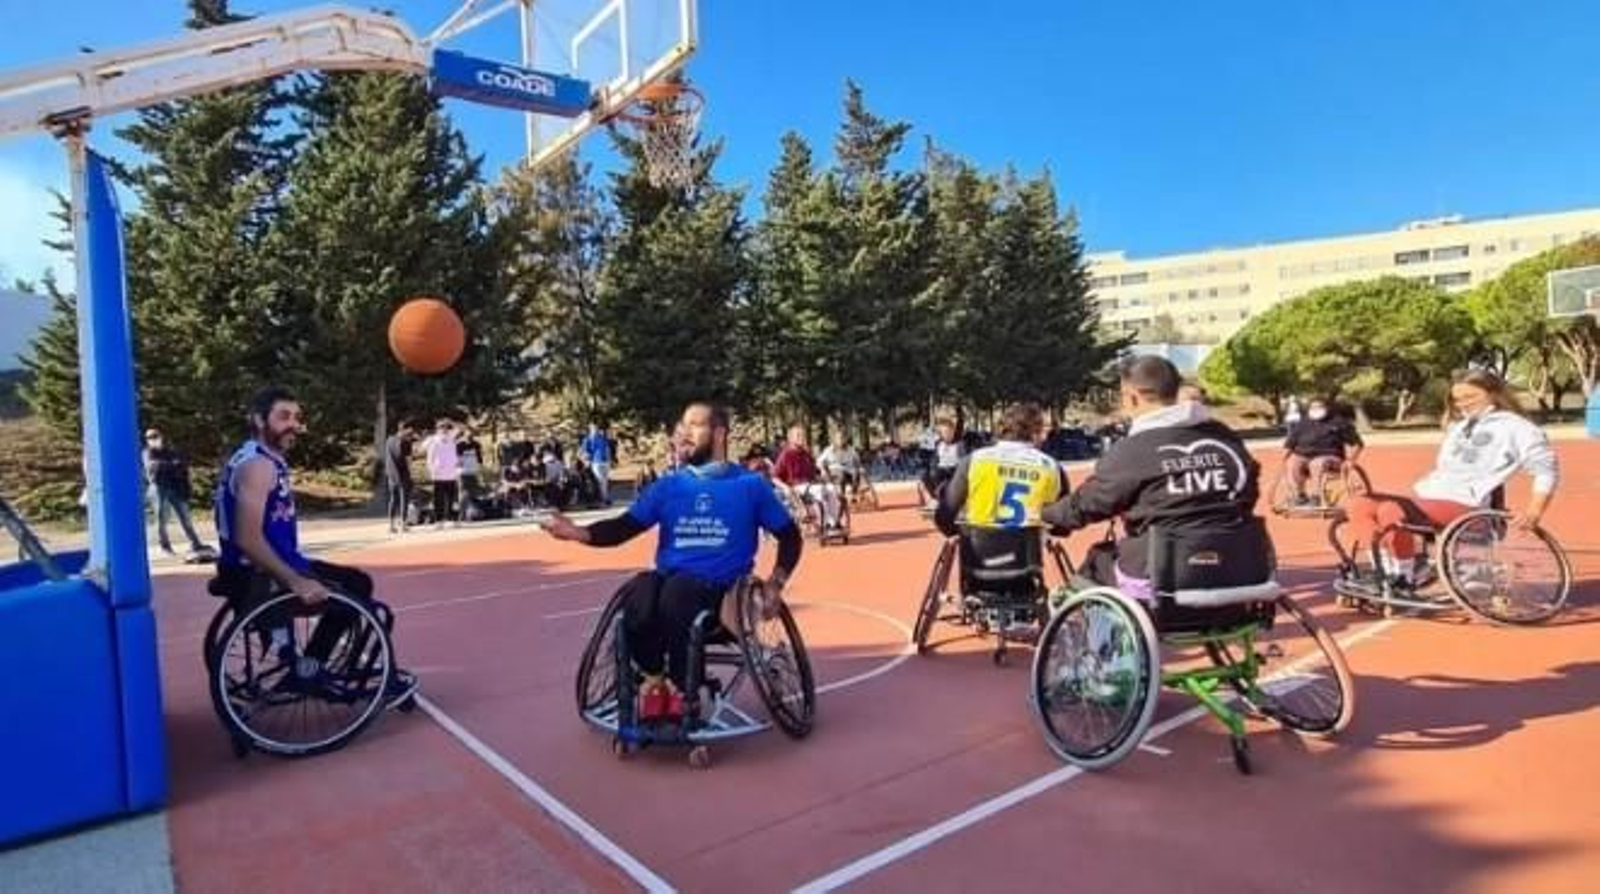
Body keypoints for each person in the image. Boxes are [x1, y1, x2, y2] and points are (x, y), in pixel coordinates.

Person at [543, 403, 803, 720]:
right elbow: (624, 527)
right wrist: (575, 532)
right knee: (638, 591)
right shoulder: (668, 487)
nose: (684, 432)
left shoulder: (750, 486)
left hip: (721, 592)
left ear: (719, 434)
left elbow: (790, 537)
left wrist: (776, 583)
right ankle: (654, 680)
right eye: (683, 425)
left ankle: (685, 690)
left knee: (678, 594)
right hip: (670, 582)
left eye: (695, 425)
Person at [212, 387, 416, 703]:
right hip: (258, 577)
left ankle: (314, 667)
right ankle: (308, 672)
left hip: (264, 568)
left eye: (296, 417)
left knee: (356, 581)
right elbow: (247, 538)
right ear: (257, 419)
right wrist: (294, 580)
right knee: (358, 591)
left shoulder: (260, 458)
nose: (293, 424)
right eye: (283, 416)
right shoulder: (257, 466)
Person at [1042, 356, 1261, 601]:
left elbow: (1087, 504)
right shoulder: (1226, 439)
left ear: (1131, 397)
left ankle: (1092, 634)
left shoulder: (1133, 450)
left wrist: (1045, 514)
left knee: (1097, 563)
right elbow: (1248, 492)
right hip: (1239, 565)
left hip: (1162, 572)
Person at [1340, 370, 1558, 590]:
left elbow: (1546, 470)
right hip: (1429, 498)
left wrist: (1534, 512)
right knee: (1358, 504)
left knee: (1391, 510)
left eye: (1470, 397)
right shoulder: (1460, 427)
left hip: (1467, 503)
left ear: (1493, 394)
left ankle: (1405, 576)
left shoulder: (1519, 428)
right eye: (1458, 399)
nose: (1463, 404)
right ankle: (1386, 570)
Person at [934, 403, 1066, 536]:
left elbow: (944, 515)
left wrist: (959, 533)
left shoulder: (975, 460)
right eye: (1042, 432)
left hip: (978, 550)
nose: (1045, 437)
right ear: (1034, 433)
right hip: (1027, 552)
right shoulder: (1051, 466)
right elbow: (1063, 525)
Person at [142, 427, 212, 558]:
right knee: (161, 519)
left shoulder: (169, 451)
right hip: (159, 488)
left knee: (185, 517)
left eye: (155, 436)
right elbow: (153, 466)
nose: (153, 440)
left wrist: (170, 466)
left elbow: (181, 464)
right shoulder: (147, 452)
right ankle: (165, 546)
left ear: (161, 437)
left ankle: (195, 543)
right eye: (150, 438)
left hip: (174, 487)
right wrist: (171, 466)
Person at [1282, 397, 1363, 505]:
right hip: (1305, 456)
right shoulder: (1303, 423)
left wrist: (1351, 460)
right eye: (1313, 407)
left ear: (1327, 408)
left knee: (1316, 463)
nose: (1316, 409)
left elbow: (1357, 444)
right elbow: (1290, 443)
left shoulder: (1338, 422)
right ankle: (1301, 495)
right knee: (1295, 464)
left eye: (1319, 407)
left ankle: (1316, 496)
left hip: (1331, 457)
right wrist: (1284, 456)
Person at [773, 424, 843, 531]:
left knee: (832, 489)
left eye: (803, 435)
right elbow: (774, 477)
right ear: (791, 439)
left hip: (811, 484)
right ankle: (824, 524)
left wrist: (824, 477)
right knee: (820, 491)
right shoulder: (785, 455)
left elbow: (814, 472)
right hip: (797, 487)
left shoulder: (806, 453)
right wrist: (785, 487)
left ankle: (834, 522)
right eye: (798, 436)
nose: (802, 438)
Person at [421, 420, 461, 529]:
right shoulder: (432, 439)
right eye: (441, 427)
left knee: (453, 499)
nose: (444, 429)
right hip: (438, 475)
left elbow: (459, 428)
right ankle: (439, 521)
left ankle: (453, 519)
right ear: (437, 429)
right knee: (438, 500)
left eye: (446, 427)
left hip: (451, 474)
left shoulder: (451, 437)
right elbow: (422, 447)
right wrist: (431, 467)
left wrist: (450, 422)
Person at [921, 418, 965, 508]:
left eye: (948, 432)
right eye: (943, 432)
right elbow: (934, 461)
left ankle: (957, 498)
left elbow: (963, 462)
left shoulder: (959, 445)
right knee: (924, 475)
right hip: (940, 471)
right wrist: (933, 469)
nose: (946, 434)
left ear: (953, 431)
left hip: (954, 471)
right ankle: (936, 498)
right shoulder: (939, 445)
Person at [383, 420, 416, 534]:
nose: (411, 432)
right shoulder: (406, 442)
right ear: (404, 429)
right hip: (403, 474)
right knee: (404, 500)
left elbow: (387, 457)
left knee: (393, 499)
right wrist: (411, 474)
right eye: (410, 430)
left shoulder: (389, 440)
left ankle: (391, 524)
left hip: (391, 474)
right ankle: (403, 524)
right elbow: (408, 461)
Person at [819, 432, 863, 500]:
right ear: (835, 439)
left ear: (845, 439)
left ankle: (854, 492)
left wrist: (859, 467)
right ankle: (841, 496)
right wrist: (823, 469)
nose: (841, 440)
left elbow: (857, 460)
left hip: (848, 470)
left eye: (843, 438)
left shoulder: (850, 449)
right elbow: (820, 461)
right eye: (839, 438)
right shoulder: (829, 450)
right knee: (841, 474)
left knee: (856, 472)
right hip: (834, 471)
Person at [581, 422, 617, 506]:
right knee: (599, 480)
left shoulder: (602, 438)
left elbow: (607, 449)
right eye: (593, 429)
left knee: (605, 481)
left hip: (605, 461)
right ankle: (602, 498)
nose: (595, 430)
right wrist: (587, 460)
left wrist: (610, 459)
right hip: (596, 462)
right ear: (590, 429)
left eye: (596, 428)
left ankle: (605, 497)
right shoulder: (588, 439)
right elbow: (584, 451)